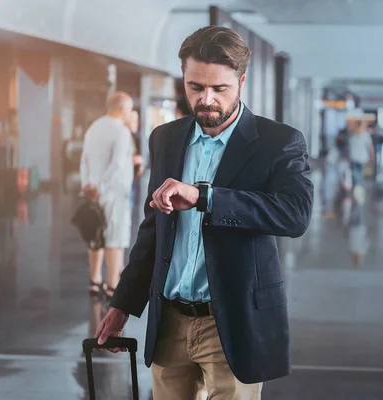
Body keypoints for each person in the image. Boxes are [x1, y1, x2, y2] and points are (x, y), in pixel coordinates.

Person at [94, 26, 314, 399]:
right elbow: (153, 228)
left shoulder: (278, 142)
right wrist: (123, 305)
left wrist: (204, 197)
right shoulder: (166, 138)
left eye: (219, 89)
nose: (206, 99)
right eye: (195, 87)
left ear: (241, 82)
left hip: (231, 320)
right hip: (170, 323)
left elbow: (294, 214)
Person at [80, 92, 135, 298]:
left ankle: (95, 281)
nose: (130, 114)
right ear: (121, 109)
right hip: (113, 193)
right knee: (115, 240)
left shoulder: (93, 127)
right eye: (129, 109)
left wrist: (88, 185)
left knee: (95, 237)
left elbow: (84, 160)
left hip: (92, 193)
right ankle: (113, 286)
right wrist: (101, 187)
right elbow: (117, 163)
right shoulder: (121, 131)